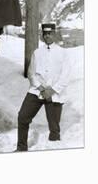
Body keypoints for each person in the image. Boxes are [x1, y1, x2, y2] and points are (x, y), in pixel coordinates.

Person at [16, 23, 71, 151]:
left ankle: (53, 151)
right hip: (37, 91)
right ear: (42, 35)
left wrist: (51, 90)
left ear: (55, 34)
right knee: (23, 117)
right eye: (45, 34)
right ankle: (21, 148)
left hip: (54, 94)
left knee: (54, 127)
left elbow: (66, 76)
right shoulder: (37, 52)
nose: (47, 36)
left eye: (50, 33)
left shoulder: (63, 53)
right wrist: (40, 88)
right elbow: (31, 73)